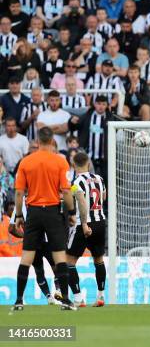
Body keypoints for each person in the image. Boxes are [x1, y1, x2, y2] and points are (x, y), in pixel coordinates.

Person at [12, 126, 76, 311]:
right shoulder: (60, 162)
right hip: (52, 212)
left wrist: (18, 215)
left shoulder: (26, 162)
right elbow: (65, 191)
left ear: (38, 141)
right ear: (52, 142)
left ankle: (18, 301)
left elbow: (18, 193)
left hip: (33, 212)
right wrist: (71, 214)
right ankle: (66, 300)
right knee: (59, 257)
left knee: (27, 257)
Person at [66, 152, 107, 308]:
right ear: (88, 163)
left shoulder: (76, 182)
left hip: (84, 224)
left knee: (69, 260)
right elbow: (103, 198)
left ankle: (78, 298)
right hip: (100, 222)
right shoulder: (99, 179)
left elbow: (82, 201)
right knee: (98, 259)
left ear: (74, 165)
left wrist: (83, 223)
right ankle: (101, 296)